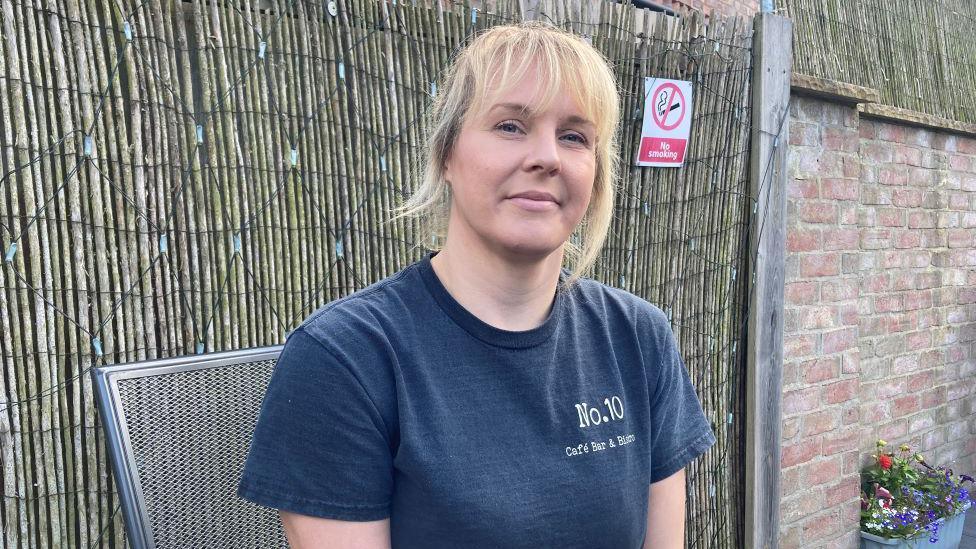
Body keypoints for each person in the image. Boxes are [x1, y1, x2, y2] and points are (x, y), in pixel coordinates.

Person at [238, 21, 715, 549]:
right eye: (511, 126)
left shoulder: (638, 338)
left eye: (574, 136)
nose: (547, 157)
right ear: (446, 154)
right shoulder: (347, 358)